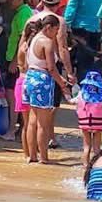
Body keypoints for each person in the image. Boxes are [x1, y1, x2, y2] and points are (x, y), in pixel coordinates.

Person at [23, 14, 70, 164]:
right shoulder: (47, 42)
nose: (56, 34)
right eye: (56, 30)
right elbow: (51, 67)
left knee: (32, 120)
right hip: (42, 80)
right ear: (49, 28)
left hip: (29, 77)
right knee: (43, 123)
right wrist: (62, 82)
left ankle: (32, 155)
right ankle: (43, 157)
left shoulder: (33, 38)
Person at [1, 0, 35, 141]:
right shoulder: (24, 12)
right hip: (16, 57)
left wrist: (16, 60)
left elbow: (24, 37)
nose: (9, 1)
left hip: (17, 60)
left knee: (12, 95)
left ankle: (12, 129)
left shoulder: (23, 14)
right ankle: (20, 127)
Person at [75, 69, 102, 167]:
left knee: (86, 147)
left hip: (84, 122)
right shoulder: (101, 95)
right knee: (97, 148)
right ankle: (96, 166)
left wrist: (67, 93)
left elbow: (73, 101)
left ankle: (86, 166)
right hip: (98, 123)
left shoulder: (82, 93)